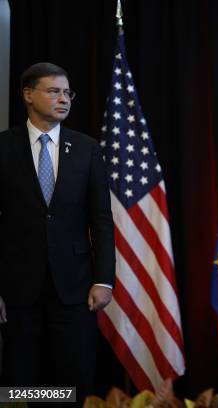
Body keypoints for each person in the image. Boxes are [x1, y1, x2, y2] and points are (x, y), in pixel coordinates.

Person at [0, 62, 115, 402]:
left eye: (67, 92)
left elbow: (102, 218)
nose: (63, 99)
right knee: (22, 379)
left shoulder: (86, 148)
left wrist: (104, 279)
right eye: (53, 91)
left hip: (76, 287)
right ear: (28, 95)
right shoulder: (3, 147)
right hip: (18, 289)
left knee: (75, 375)